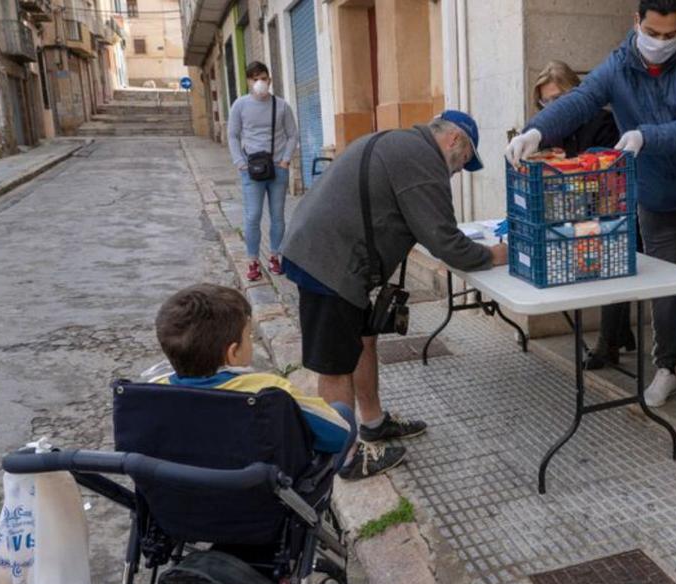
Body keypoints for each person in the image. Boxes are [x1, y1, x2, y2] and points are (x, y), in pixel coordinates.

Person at [506, 0, 676, 407]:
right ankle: (667, 368)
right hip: (657, 195)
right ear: (637, 22)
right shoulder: (618, 63)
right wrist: (536, 132)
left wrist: (644, 136)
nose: (661, 43)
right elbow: (580, 99)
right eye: (653, 33)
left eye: (671, 36)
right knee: (665, 290)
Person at [281, 111, 509, 472]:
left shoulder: (403, 143)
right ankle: (343, 458)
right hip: (328, 260)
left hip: (331, 252)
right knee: (335, 364)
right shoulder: (424, 162)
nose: (457, 172)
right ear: (454, 141)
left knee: (364, 340)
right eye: (464, 161)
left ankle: (373, 423)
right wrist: (494, 255)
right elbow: (445, 242)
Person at [152, 283, 371, 472]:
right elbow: (338, 433)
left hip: (178, 508)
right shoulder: (269, 391)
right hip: (261, 507)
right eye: (248, 336)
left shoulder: (152, 393)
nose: (251, 341)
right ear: (233, 352)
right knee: (343, 415)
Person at [532, 60, 639, 371]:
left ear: (575, 94)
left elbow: (609, 170)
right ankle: (621, 332)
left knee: (612, 270)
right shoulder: (546, 129)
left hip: (611, 206)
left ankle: (608, 344)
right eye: (544, 100)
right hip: (574, 210)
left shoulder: (602, 122)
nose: (550, 106)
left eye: (557, 99)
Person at [228, 61, 299, 283]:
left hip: (278, 169)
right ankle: (252, 261)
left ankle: (275, 256)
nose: (260, 82)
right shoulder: (240, 105)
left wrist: (286, 160)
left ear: (270, 79)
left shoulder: (282, 106)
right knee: (253, 216)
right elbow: (233, 135)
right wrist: (239, 161)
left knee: (278, 216)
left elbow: (292, 134)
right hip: (252, 170)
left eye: (264, 78)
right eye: (255, 78)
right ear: (249, 81)